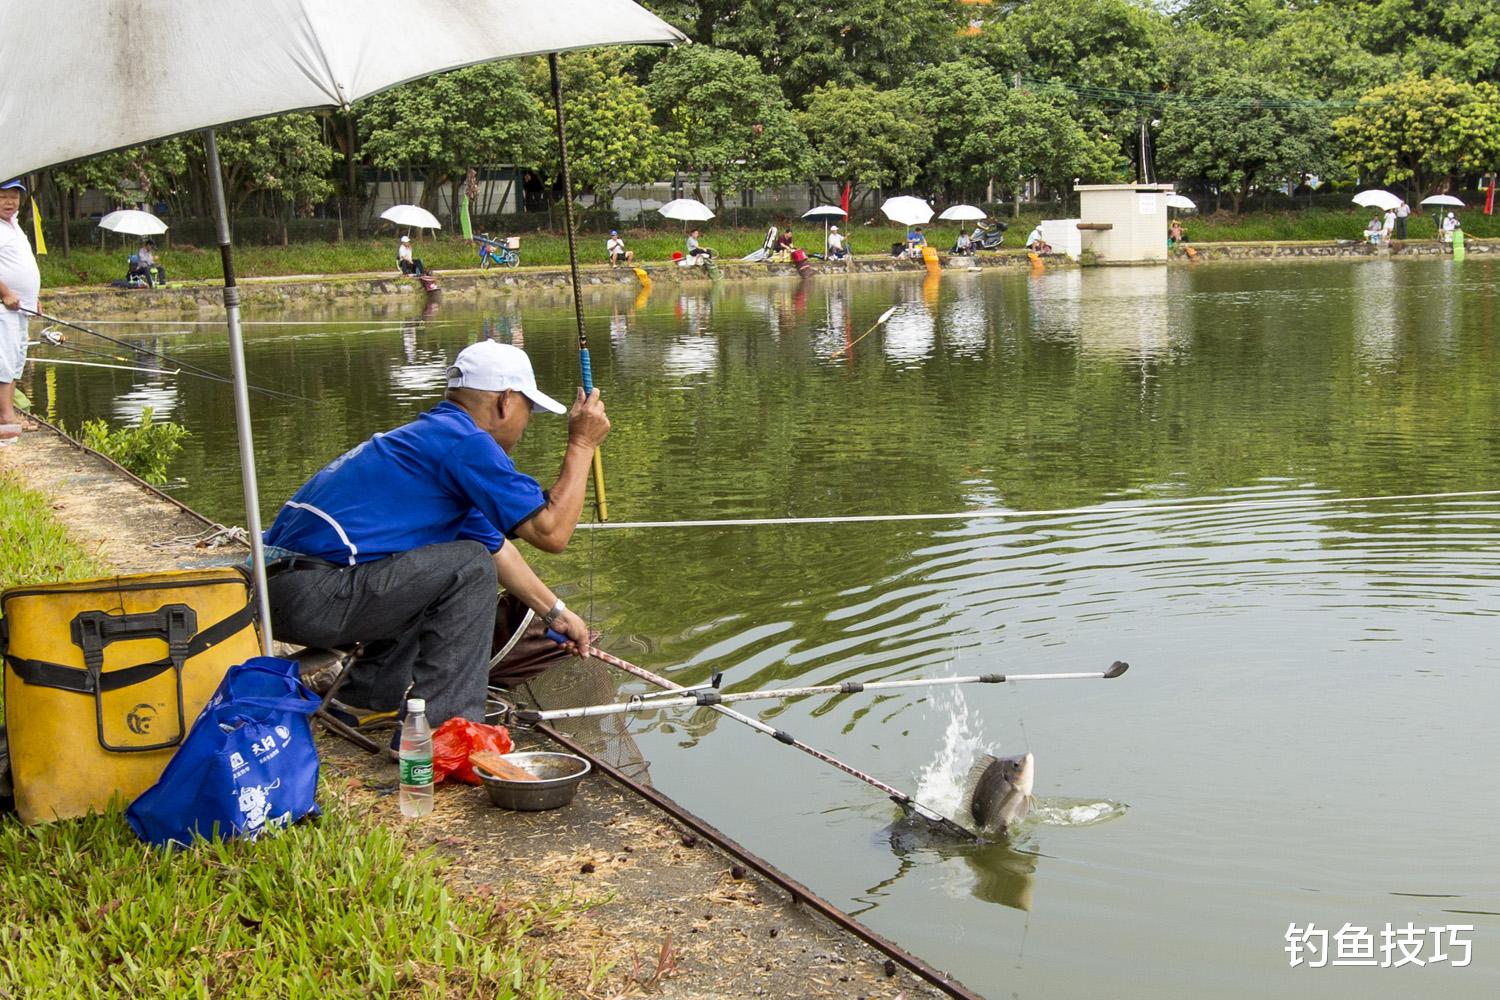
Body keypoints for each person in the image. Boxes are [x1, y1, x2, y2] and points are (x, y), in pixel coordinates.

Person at [260, 340, 609, 730]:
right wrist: (582, 444)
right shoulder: (466, 443)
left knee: (456, 559)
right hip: (315, 595)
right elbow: (551, 532)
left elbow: (497, 550)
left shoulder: (431, 438)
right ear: (505, 401)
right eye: (529, 410)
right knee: (468, 566)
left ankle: (365, 701)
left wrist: (557, 614)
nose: (526, 424)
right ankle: (448, 730)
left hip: (280, 592)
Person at [0, 179, 39, 445]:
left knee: (15, 363)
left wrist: (32, 298)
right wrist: (5, 293)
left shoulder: (14, 226)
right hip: (5, 307)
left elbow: (23, 264)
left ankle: (9, 413)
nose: (10, 202)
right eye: (3, 197)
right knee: (3, 362)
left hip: (22, 308)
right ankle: (5, 417)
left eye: (14, 196)